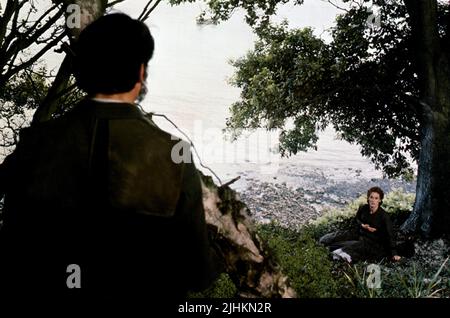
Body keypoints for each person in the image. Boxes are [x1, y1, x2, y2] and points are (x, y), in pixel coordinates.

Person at [0, 13, 218, 300]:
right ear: (141, 73)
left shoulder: (36, 143)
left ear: (82, 72)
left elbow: (12, 247)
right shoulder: (173, 156)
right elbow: (196, 273)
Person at [319, 187, 401, 263]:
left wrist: (394, 253)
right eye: (371, 197)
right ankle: (324, 243)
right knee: (328, 239)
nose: (373, 200)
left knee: (341, 249)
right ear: (368, 198)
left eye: (376, 198)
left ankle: (337, 254)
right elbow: (357, 219)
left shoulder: (384, 216)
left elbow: (390, 235)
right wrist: (362, 225)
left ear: (380, 200)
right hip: (358, 234)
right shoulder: (363, 208)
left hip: (371, 242)